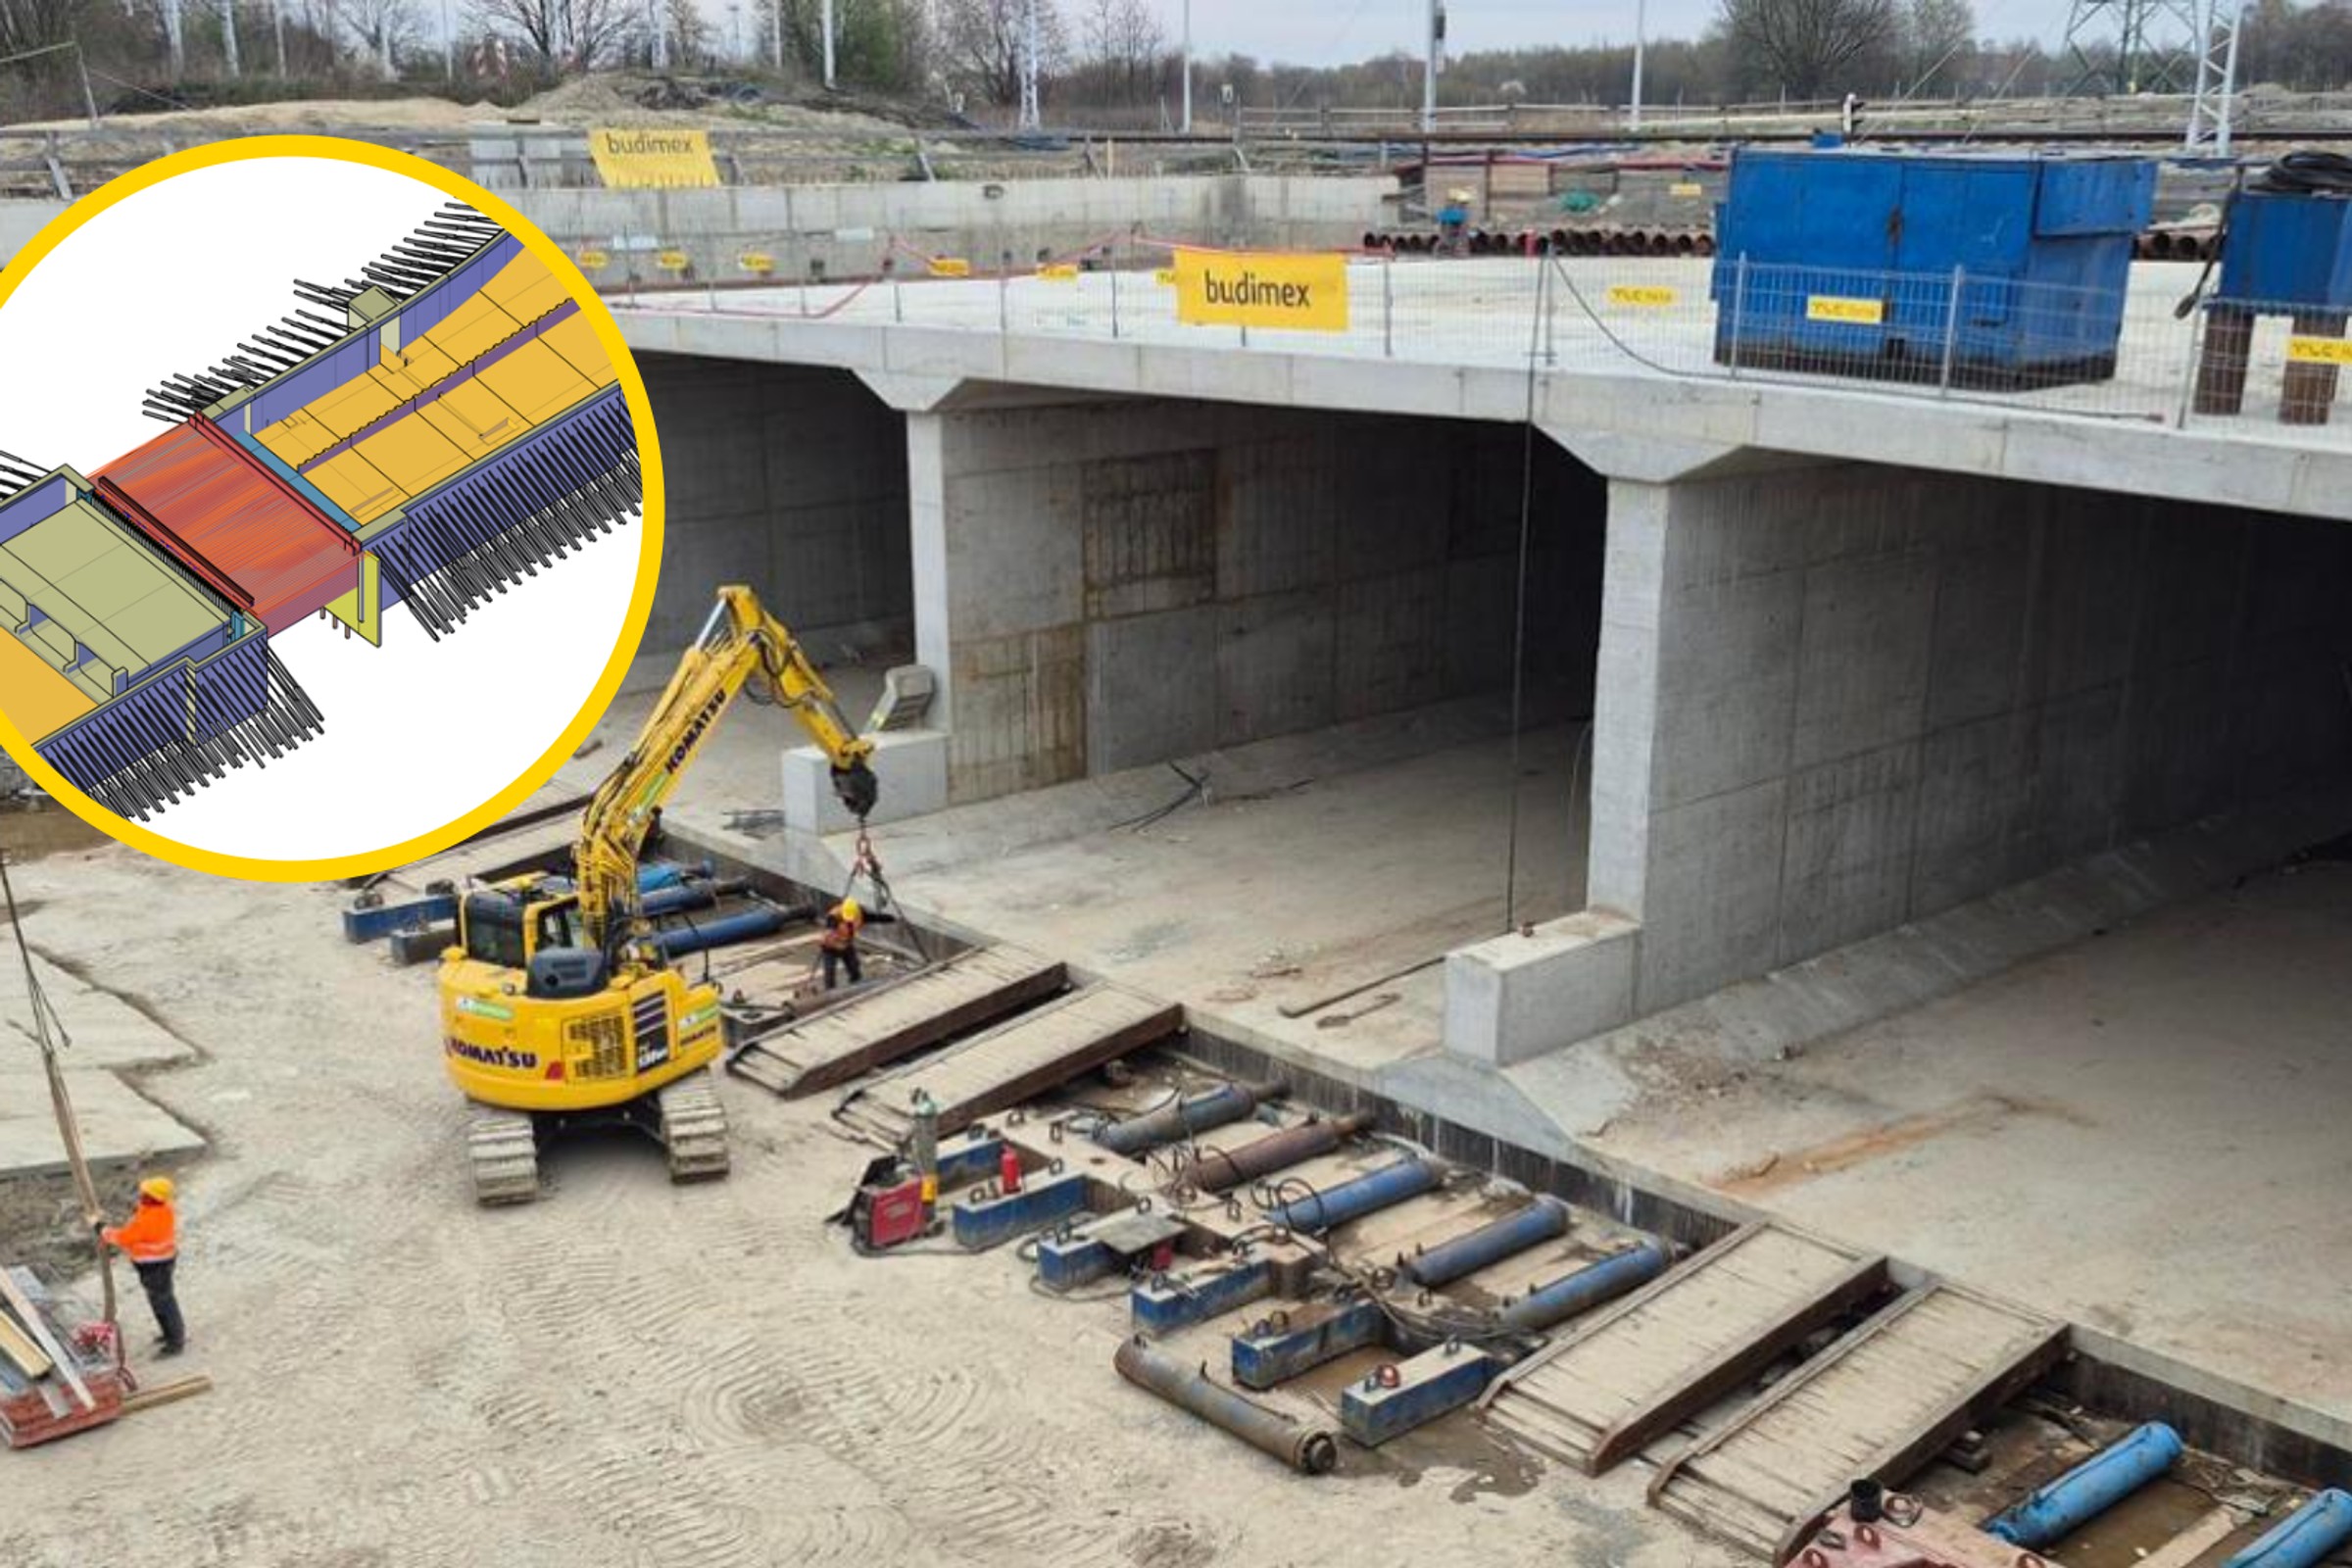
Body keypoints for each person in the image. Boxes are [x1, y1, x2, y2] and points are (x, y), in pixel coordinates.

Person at [100, 1176, 184, 1357]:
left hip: (154, 1266)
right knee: (162, 1300)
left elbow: (124, 1238)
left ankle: (175, 1341)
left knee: (163, 1302)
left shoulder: (149, 1219)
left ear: (153, 1198)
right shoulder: (163, 1209)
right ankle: (170, 1334)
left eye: (145, 1193)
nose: (141, 1194)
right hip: (162, 1262)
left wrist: (102, 1230)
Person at [820, 897, 865, 990]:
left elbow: (856, 928)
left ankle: (856, 982)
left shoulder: (858, 914)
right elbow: (829, 938)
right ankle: (830, 992)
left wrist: (848, 942)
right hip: (830, 946)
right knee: (830, 972)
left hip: (846, 942)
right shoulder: (833, 917)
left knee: (854, 967)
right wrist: (839, 945)